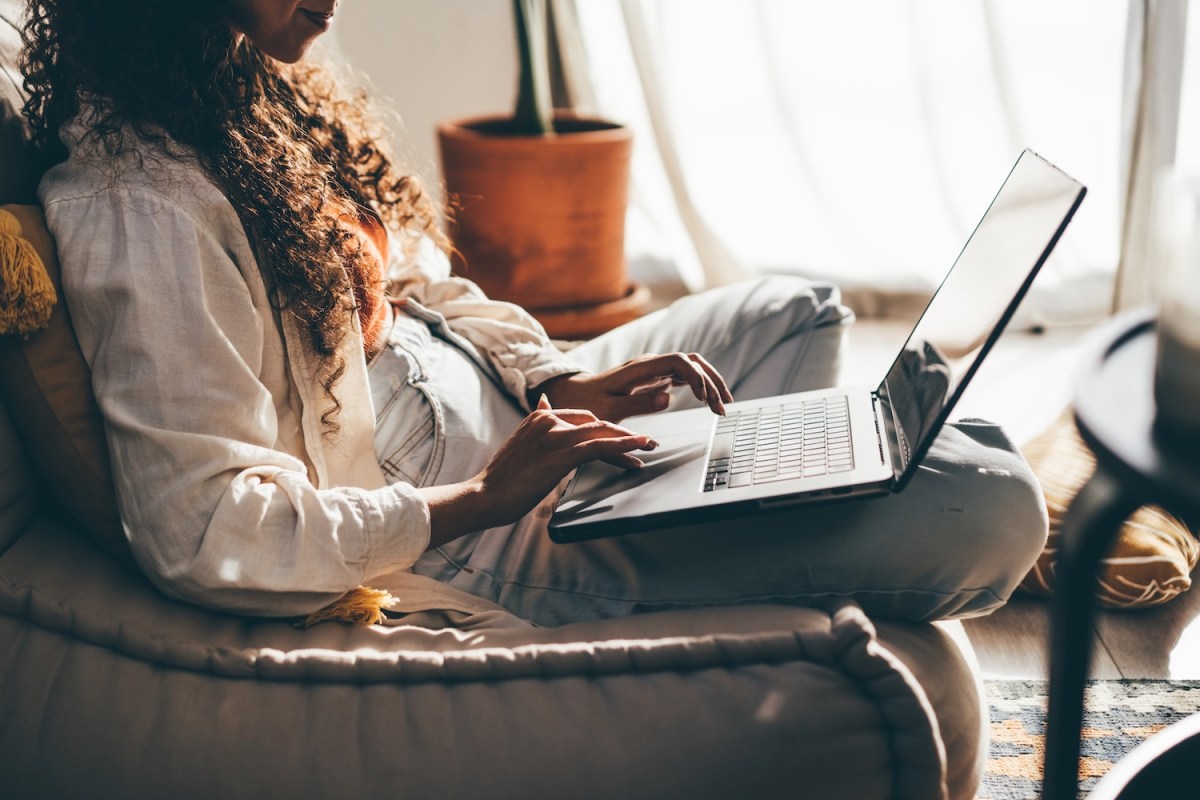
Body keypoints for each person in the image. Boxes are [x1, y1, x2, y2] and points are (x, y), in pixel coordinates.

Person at [20, 0, 1047, 627]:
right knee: (998, 497)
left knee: (802, 311)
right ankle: (758, 520)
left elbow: (425, 289)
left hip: (527, 424)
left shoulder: (249, 95)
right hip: (482, 524)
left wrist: (553, 378)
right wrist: (482, 498)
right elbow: (203, 529)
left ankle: (768, 494)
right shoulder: (139, 205)